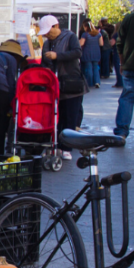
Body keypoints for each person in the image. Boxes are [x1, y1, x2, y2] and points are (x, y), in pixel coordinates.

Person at [39, 14, 84, 160]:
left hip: (71, 83)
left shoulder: (70, 37)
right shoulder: (47, 43)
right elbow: (44, 61)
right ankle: (56, 144)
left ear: (56, 26)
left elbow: (77, 52)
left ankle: (67, 148)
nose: (46, 35)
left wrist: (58, 55)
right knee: (56, 117)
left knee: (70, 116)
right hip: (54, 85)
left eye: (48, 31)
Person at [114, 9, 134, 139]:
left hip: (131, 65)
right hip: (131, 66)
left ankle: (121, 132)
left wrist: (122, 63)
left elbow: (120, 43)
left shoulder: (130, 18)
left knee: (127, 99)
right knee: (127, 98)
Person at [79, 18, 102, 88]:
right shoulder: (99, 34)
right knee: (95, 67)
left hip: (87, 52)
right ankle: (97, 81)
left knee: (89, 68)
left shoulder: (84, 34)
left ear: (86, 27)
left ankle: (90, 82)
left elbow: (81, 43)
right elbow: (101, 44)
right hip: (96, 52)